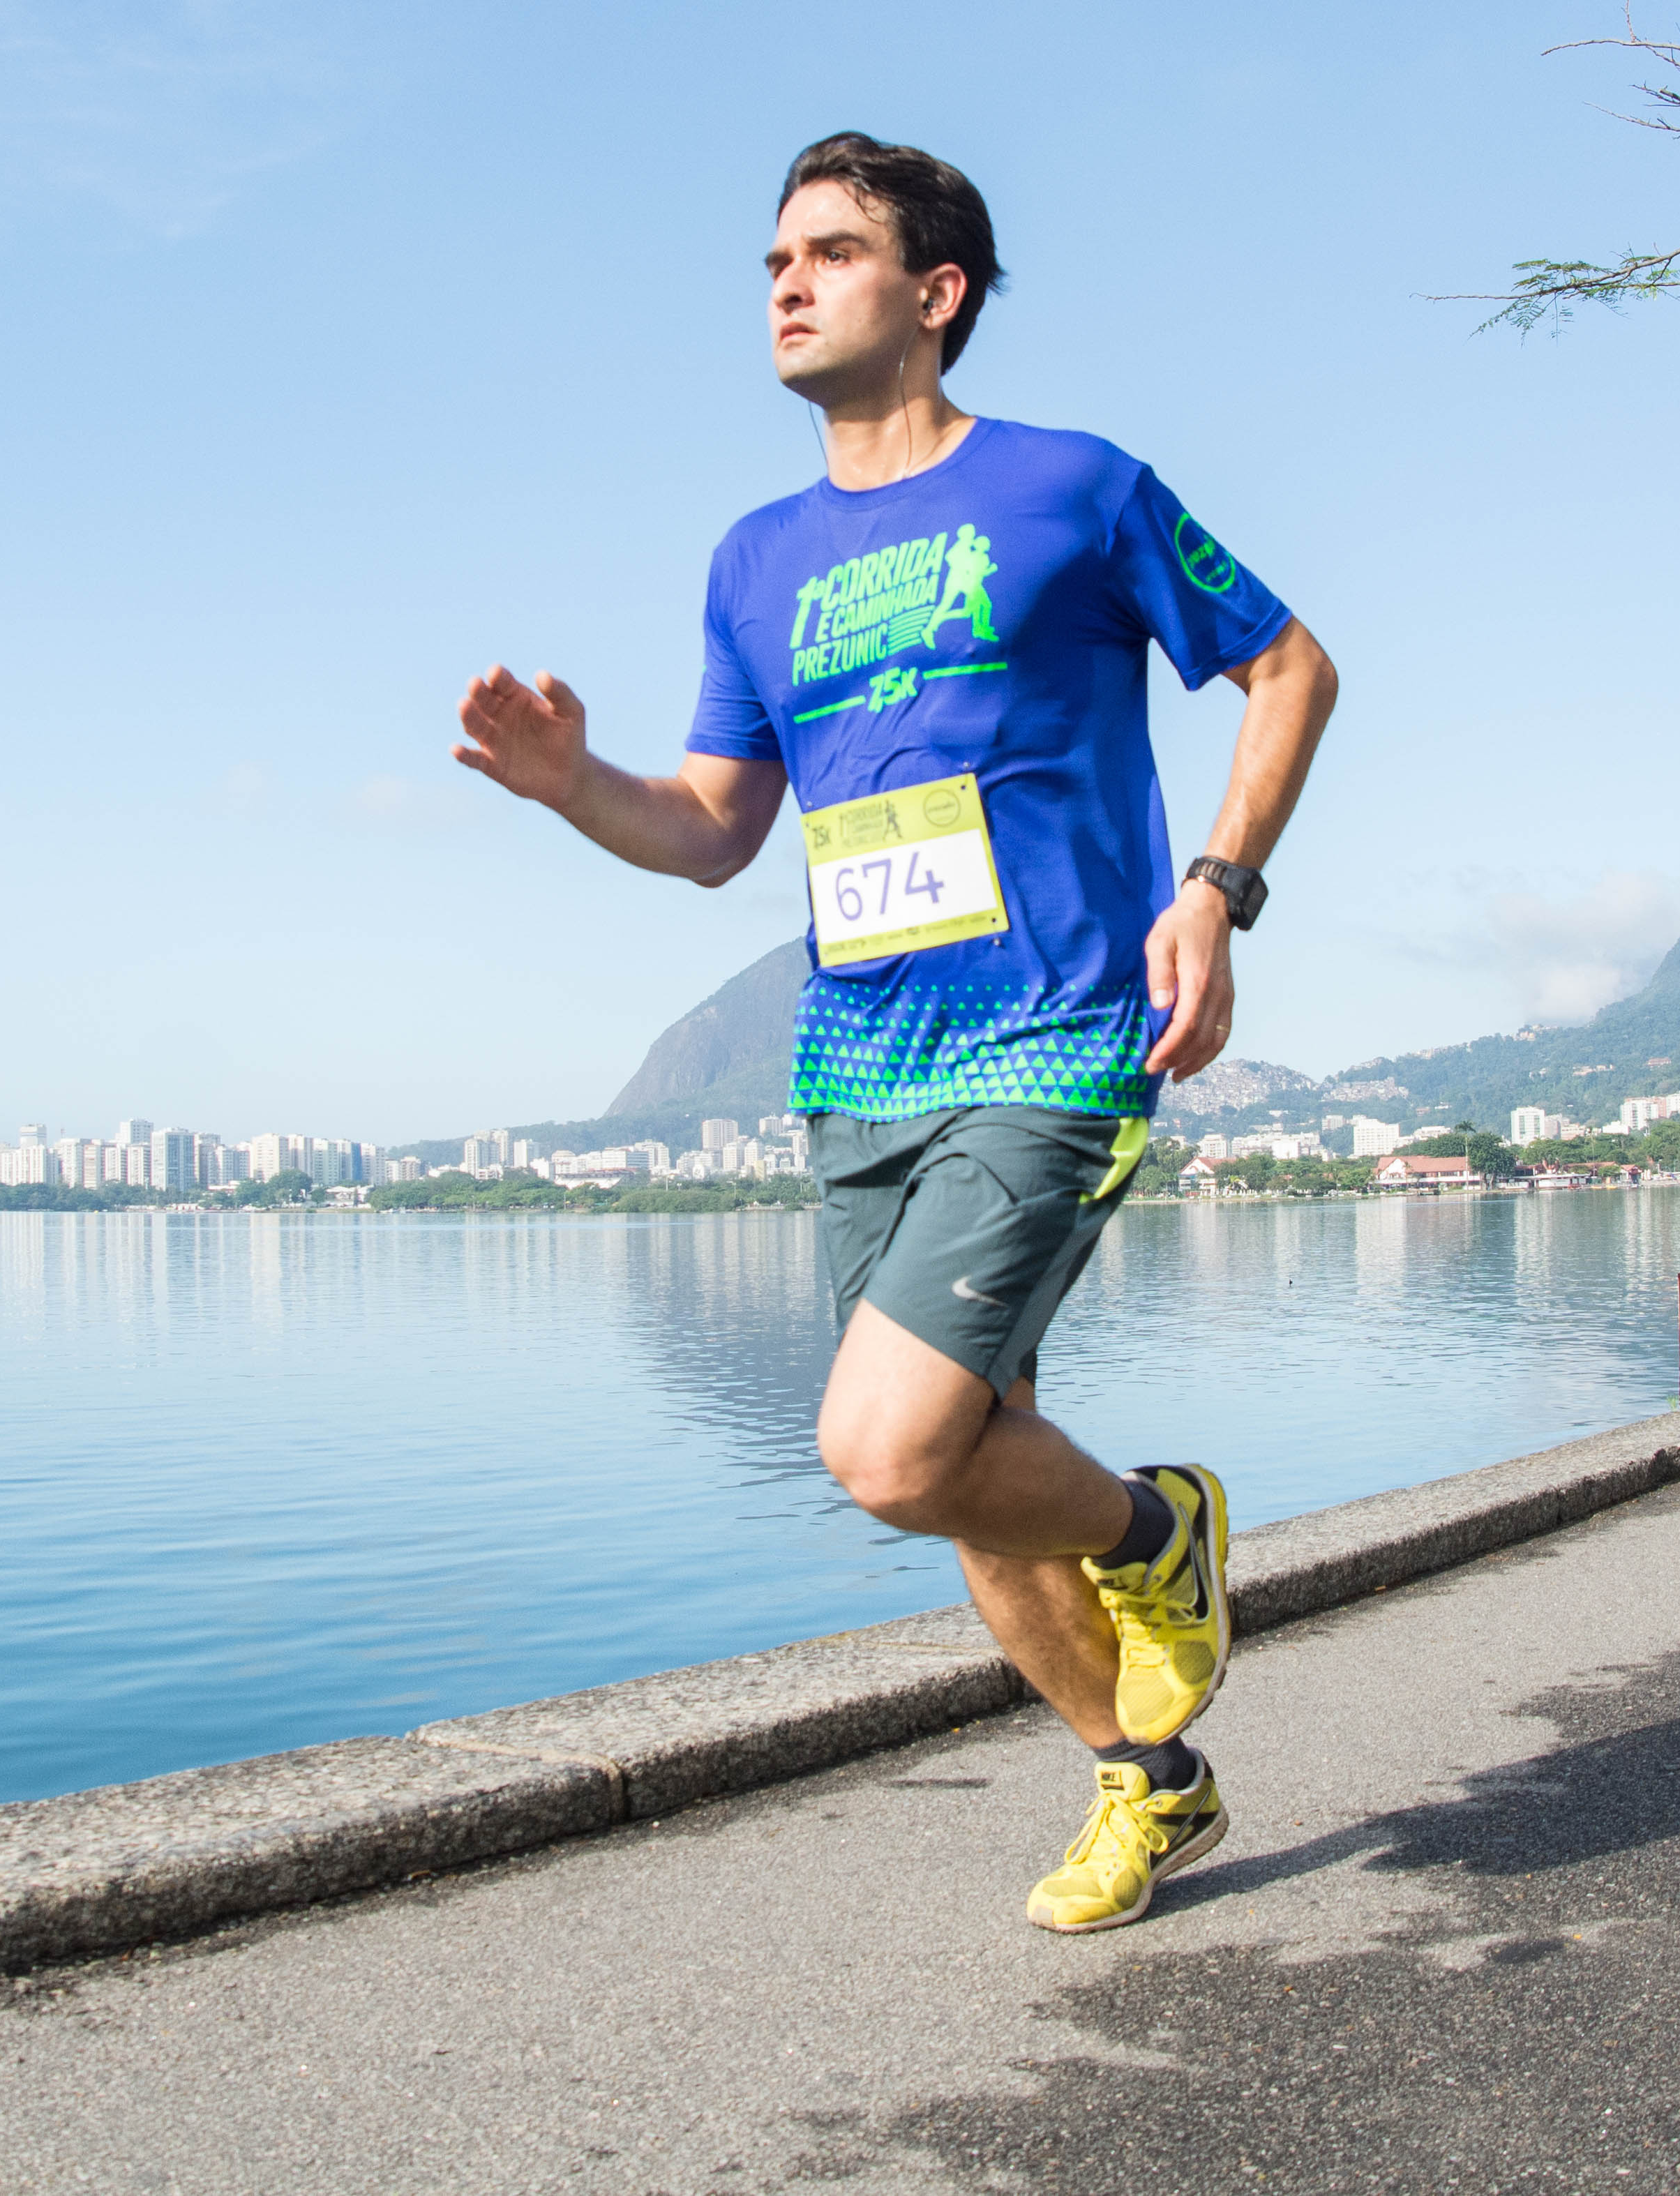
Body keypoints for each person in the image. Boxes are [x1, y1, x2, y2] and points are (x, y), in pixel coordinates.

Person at [455, 133, 1340, 1934]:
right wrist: (571, 789)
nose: (785, 279)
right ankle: (1147, 1778)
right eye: (773, 255)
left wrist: (1216, 889)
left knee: (882, 1444)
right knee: (959, 1472)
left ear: (932, 296)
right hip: (857, 1065)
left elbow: (1292, 663)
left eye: (831, 250)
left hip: (1053, 1035)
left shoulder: (1073, 492)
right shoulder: (755, 559)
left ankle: (1160, 1535)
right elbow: (713, 827)